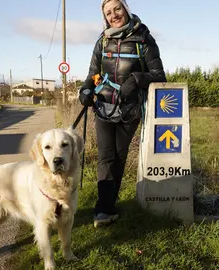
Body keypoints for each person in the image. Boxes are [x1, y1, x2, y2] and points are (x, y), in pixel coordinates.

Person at [79, 0, 166, 228]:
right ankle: (103, 210)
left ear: (126, 9)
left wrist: (137, 79)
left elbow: (159, 75)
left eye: (117, 9)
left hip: (130, 111)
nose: (114, 15)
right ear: (105, 17)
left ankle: (108, 205)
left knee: (119, 158)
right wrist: (86, 89)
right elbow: (92, 73)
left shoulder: (144, 39)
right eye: (108, 12)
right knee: (106, 158)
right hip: (103, 108)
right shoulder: (102, 40)